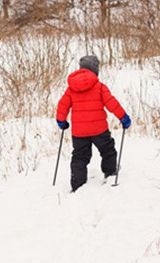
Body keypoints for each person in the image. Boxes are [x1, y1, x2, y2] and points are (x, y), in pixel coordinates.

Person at [56, 55, 131, 192]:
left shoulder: (71, 88)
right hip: (99, 129)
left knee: (79, 156)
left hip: (79, 132)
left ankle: (77, 184)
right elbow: (112, 104)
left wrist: (61, 121)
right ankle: (110, 172)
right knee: (107, 150)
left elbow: (62, 105)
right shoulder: (100, 87)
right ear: (96, 70)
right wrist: (123, 118)